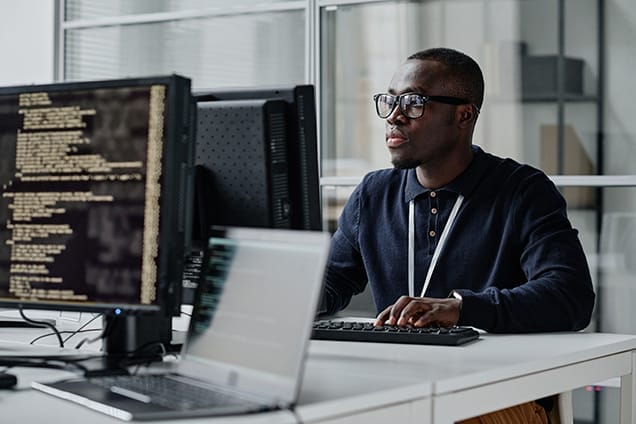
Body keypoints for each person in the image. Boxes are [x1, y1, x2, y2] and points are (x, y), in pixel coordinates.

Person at [321, 46, 596, 424]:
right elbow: (332, 281)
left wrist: (461, 308)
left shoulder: (522, 190)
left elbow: (570, 295)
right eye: (390, 101)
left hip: (499, 395)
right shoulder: (373, 194)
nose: (394, 116)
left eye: (414, 103)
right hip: (399, 389)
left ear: (464, 115)